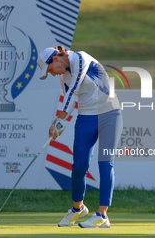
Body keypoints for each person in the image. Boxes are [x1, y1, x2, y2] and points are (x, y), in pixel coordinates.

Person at [37, 45, 123, 228]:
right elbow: (69, 98)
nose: (51, 74)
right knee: (79, 165)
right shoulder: (63, 77)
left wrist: (58, 120)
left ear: (56, 59)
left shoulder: (81, 59)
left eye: (50, 70)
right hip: (86, 118)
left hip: (110, 114)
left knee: (105, 163)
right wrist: (59, 123)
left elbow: (74, 89)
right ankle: (78, 208)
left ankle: (102, 215)